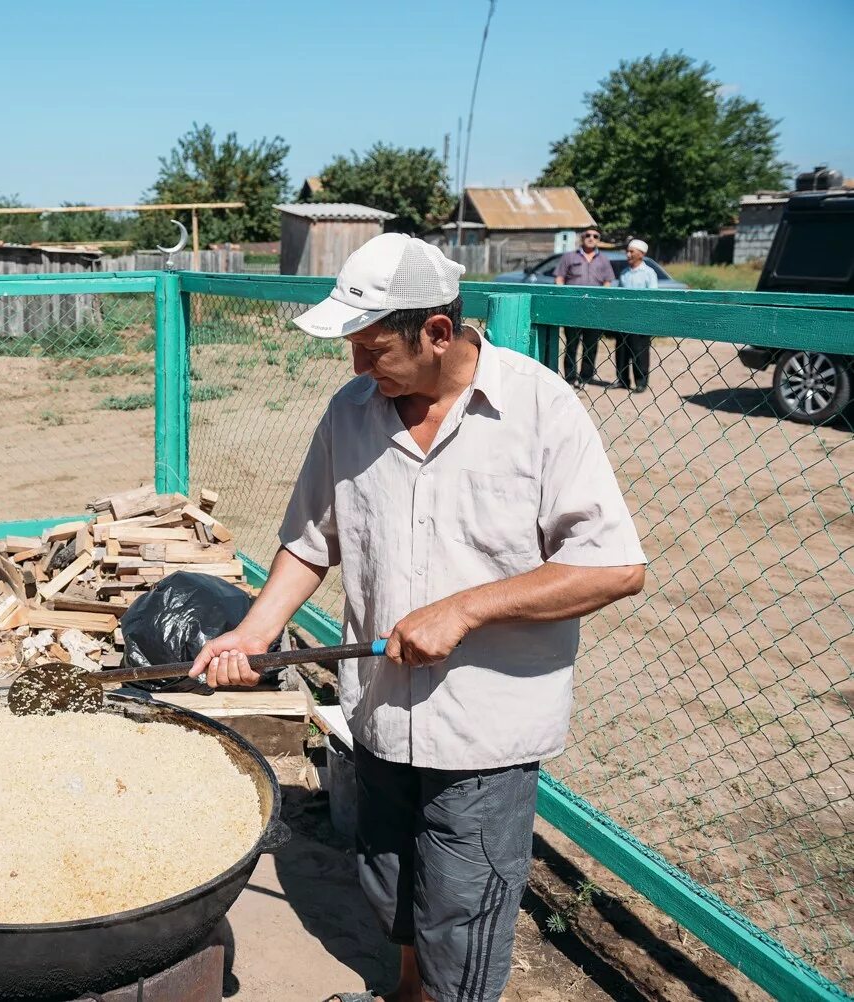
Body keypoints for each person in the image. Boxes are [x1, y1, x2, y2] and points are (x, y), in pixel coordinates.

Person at [191, 233, 646, 1002]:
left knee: (462, 907)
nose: (360, 369)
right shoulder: (351, 414)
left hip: (482, 728)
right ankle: (408, 992)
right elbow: (310, 543)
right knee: (391, 876)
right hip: (380, 712)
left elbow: (613, 565)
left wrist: (467, 608)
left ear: (438, 332)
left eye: (373, 351)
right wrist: (254, 631)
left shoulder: (539, 408)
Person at [555, 225, 614, 387]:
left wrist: (603, 302)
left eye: (595, 236)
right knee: (571, 345)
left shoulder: (603, 260)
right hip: (573, 308)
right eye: (588, 235)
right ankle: (570, 378)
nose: (591, 238)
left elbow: (608, 282)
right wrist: (564, 298)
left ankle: (585, 378)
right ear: (582, 237)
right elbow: (559, 278)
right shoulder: (569, 257)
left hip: (594, 310)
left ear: (599, 240)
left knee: (591, 346)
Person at [612, 238, 657, 393]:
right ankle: (622, 380)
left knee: (640, 352)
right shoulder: (624, 273)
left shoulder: (649, 273)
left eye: (632, 251)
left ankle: (641, 382)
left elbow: (652, 297)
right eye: (628, 251)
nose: (628, 254)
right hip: (623, 319)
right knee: (622, 351)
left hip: (641, 319)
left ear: (641, 254)